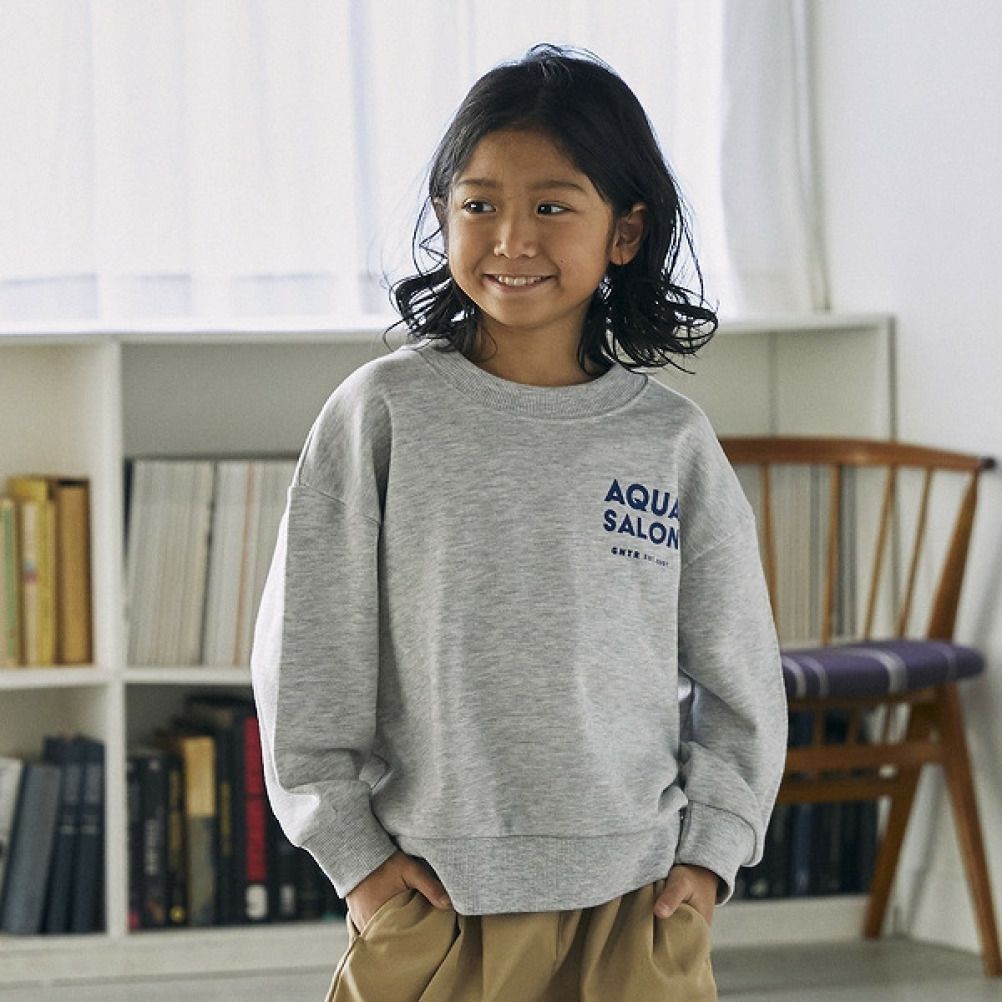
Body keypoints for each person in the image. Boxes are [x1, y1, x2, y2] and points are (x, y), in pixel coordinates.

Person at [250, 42, 787, 1002]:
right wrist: (356, 861)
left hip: (639, 899)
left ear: (625, 231)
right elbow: (306, 657)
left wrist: (711, 853)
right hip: (436, 896)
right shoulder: (380, 414)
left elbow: (738, 669)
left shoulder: (669, 440)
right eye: (479, 204)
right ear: (443, 217)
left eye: (552, 206)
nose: (510, 239)